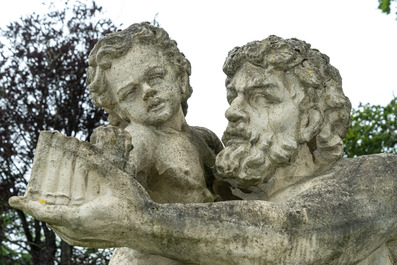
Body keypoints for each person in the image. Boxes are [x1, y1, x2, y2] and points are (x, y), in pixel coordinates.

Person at [10, 35, 397, 264]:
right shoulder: (226, 195)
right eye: (233, 97)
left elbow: (291, 237)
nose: (233, 111)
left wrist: (140, 221)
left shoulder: (377, 176)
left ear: (310, 120)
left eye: (261, 97)